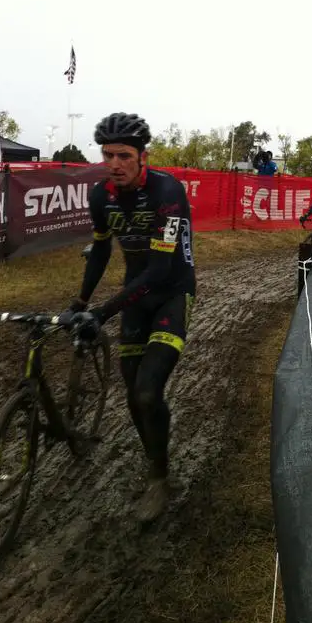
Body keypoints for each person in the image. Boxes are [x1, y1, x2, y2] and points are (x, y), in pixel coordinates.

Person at [67, 112, 196, 522]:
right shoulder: (100, 196)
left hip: (172, 292)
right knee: (131, 394)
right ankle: (157, 463)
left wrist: (104, 311)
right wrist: (81, 302)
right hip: (135, 297)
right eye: (108, 155)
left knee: (146, 390)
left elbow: (160, 269)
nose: (114, 163)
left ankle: (159, 480)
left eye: (124, 155)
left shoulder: (168, 191)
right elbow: (102, 250)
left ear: (143, 156)